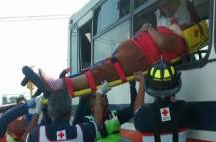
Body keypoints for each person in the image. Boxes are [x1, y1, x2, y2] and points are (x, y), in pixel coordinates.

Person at [35, 0, 197, 94]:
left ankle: (61, 84)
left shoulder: (179, 42)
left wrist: (149, 28)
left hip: (138, 56)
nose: (177, 23)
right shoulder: (171, 34)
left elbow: (160, 43)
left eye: (181, 24)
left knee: (102, 72)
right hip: (133, 49)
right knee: (100, 68)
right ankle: (63, 82)